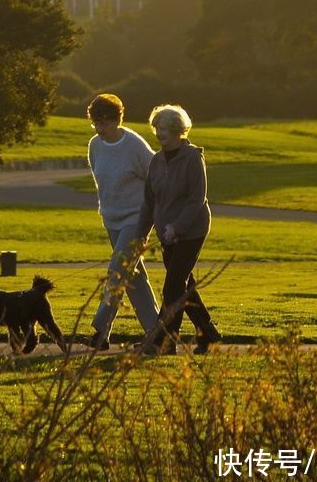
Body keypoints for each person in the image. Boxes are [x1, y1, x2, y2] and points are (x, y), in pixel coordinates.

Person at [135, 104, 222, 356]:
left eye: (165, 128)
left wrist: (178, 227)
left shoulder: (193, 158)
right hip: (167, 233)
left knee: (173, 285)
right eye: (157, 128)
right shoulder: (156, 160)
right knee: (183, 286)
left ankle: (163, 341)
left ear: (177, 131)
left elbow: (197, 199)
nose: (159, 132)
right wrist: (141, 235)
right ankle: (208, 334)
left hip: (191, 230)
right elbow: (150, 202)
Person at [85, 94, 160, 350]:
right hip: (111, 219)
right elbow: (100, 180)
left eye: (104, 123)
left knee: (117, 271)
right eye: (95, 123)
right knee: (133, 277)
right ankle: (157, 333)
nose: (99, 128)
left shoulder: (134, 145)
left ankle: (99, 329)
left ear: (117, 120)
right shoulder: (95, 145)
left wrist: (151, 214)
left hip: (136, 218)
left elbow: (155, 176)